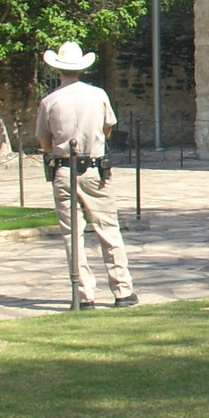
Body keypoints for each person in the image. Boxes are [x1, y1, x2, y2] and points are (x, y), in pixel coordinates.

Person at [34, 41, 137, 309]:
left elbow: (43, 139)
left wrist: (56, 151)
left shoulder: (49, 101)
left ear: (58, 70)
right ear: (81, 68)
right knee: (108, 229)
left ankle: (83, 295)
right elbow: (108, 127)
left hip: (63, 168)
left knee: (73, 234)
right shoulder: (98, 95)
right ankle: (122, 290)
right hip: (94, 167)